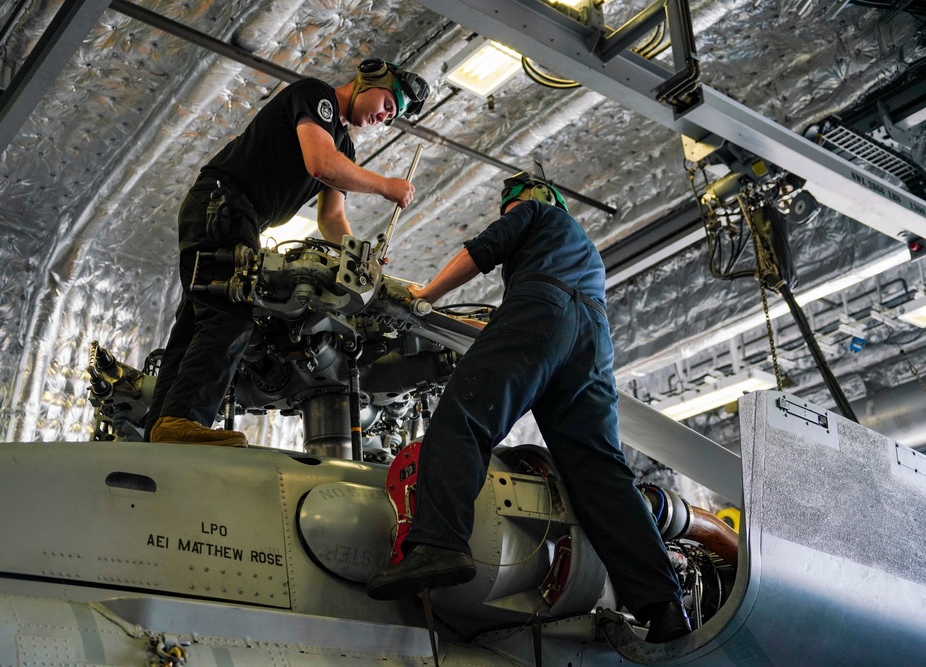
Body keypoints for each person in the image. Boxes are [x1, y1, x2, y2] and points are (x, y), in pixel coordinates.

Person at [365, 171, 692, 643]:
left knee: (465, 418)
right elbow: (553, 322)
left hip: (543, 308)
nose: (509, 213)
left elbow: (481, 252)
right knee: (600, 468)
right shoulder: (585, 251)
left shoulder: (532, 212)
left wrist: (422, 298)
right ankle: (664, 604)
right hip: (593, 341)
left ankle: (437, 545)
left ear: (529, 200)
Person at [145, 59, 430, 446]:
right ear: (370, 78)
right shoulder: (316, 96)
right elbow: (320, 165)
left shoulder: (344, 145)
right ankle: (183, 422)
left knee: (195, 323)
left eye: (391, 116)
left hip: (235, 218)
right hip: (224, 205)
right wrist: (385, 186)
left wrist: (360, 258)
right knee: (231, 314)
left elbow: (331, 219)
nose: (383, 116)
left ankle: (162, 428)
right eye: (387, 103)